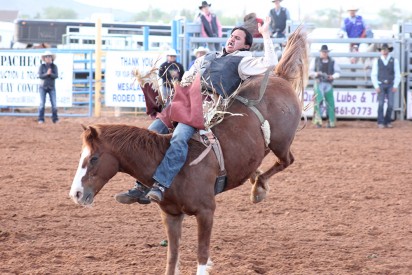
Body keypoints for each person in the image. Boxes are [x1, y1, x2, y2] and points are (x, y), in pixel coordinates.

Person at [115, 16, 278, 204]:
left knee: (179, 137)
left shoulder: (244, 61)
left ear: (246, 46)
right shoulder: (207, 57)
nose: (232, 39)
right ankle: (141, 185)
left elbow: (270, 63)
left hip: (206, 106)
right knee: (151, 131)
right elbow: (187, 78)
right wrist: (176, 92)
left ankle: (160, 185)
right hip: (184, 100)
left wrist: (265, 34)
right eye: (232, 36)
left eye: (238, 38)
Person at [309, 45, 341, 128]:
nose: (324, 53)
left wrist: (332, 76)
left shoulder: (333, 61)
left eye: (325, 52)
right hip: (319, 83)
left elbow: (338, 72)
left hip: (328, 83)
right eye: (323, 52)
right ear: (320, 52)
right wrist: (317, 74)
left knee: (330, 102)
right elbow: (310, 72)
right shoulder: (315, 60)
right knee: (318, 102)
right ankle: (318, 122)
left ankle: (331, 121)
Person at [370, 43, 401, 128]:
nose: (384, 51)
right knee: (381, 104)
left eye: (385, 49)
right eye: (383, 50)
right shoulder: (377, 61)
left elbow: (397, 74)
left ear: (388, 50)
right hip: (381, 84)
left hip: (391, 84)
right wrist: (376, 86)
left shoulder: (394, 61)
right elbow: (374, 74)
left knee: (390, 104)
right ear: (381, 51)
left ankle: (387, 121)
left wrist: (395, 85)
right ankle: (380, 121)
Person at [38, 50, 59, 124]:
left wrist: (50, 74)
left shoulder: (54, 66)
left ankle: (55, 119)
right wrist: (47, 74)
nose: (48, 58)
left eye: (49, 56)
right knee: (42, 104)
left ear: (52, 58)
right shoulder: (42, 66)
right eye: (46, 57)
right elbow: (40, 76)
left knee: (54, 104)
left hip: (51, 87)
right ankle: (41, 119)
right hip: (43, 87)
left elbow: (56, 76)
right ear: (44, 58)